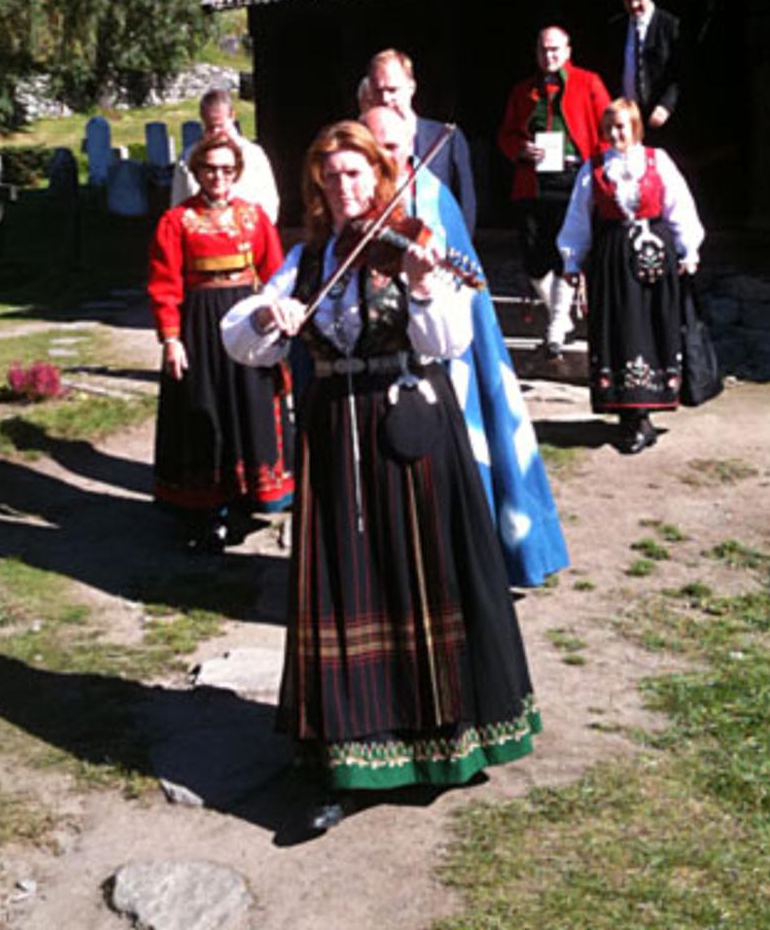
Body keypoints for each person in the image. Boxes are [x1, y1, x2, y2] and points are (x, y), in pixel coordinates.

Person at [221, 121, 539, 828]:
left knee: (424, 579)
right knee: (346, 588)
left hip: (411, 427)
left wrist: (424, 290)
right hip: (335, 435)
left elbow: (449, 340)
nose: (344, 187)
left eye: (355, 174)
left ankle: (445, 744)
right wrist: (271, 314)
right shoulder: (308, 259)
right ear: (317, 186)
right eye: (331, 176)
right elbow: (241, 338)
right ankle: (349, 763)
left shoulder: (412, 248)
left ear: (379, 177)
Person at [362, 104, 569, 588]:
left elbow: (465, 278)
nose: (384, 158)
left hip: (441, 357)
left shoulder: (433, 196)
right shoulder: (352, 201)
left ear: (410, 145)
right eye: (374, 149)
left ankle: (468, 564)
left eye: (392, 147)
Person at [149, 131, 294, 549]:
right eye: (210, 169)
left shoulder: (255, 217)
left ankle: (251, 498)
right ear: (197, 172)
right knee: (205, 408)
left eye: (227, 170)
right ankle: (207, 509)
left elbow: (277, 275)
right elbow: (165, 285)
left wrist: (276, 323)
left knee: (251, 405)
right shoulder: (175, 221)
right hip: (199, 326)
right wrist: (171, 339)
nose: (219, 177)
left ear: (237, 173)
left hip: (247, 320)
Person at [557, 98, 704, 454]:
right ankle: (630, 417)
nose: (615, 134)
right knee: (620, 331)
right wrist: (572, 261)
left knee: (653, 329)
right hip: (612, 261)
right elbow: (578, 217)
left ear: (635, 127)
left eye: (621, 126)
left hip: (656, 260)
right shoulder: (594, 168)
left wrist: (689, 249)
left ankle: (644, 414)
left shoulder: (657, 161)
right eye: (609, 127)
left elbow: (679, 205)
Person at [497, 26, 610, 357]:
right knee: (533, 255)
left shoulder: (589, 83)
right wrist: (521, 149)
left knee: (567, 252)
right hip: (532, 179)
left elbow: (607, 128)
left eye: (555, 49)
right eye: (544, 50)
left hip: (574, 177)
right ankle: (561, 317)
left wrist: (599, 167)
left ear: (568, 50)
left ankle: (557, 324)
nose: (550, 56)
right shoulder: (523, 90)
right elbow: (506, 135)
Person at [366, 48, 476, 235]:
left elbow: (465, 205)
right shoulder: (363, 139)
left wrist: (459, 246)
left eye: (392, 90)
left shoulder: (446, 138)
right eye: (378, 91)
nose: (385, 99)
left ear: (411, 87)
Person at [171, 88, 280, 223]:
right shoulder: (188, 158)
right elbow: (178, 206)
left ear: (232, 115)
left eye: (220, 126)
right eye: (210, 127)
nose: (216, 132)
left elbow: (269, 205)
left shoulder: (254, 156)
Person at [615, 0, 680, 133]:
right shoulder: (616, 27)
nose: (634, 5)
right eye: (628, 0)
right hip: (626, 119)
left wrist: (666, 104)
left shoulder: (670, 26)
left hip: (660, 117)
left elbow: (680, 71)